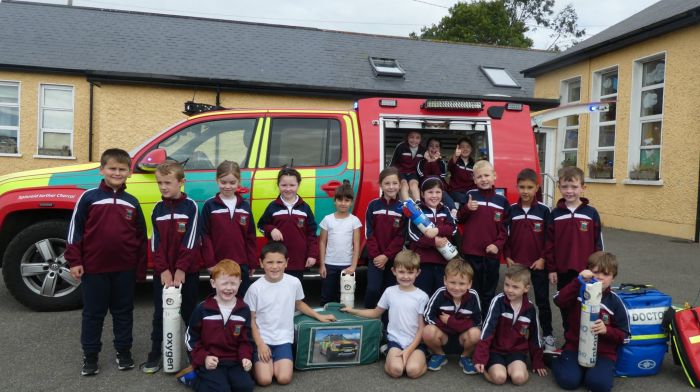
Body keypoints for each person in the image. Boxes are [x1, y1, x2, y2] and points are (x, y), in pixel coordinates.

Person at [65, 148, 147, 376]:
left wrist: (140, 269)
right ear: (102, 170)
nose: (117, 173)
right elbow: (75, 231)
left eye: (122, 169)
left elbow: (140, 237)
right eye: (112, 168)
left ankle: (124, 352)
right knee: (93, 314)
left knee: (124, 313)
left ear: (129, 173)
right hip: (94, 269)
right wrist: (74, 260)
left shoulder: (132, 202)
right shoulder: (89, 197)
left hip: (125, 270)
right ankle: (90, 357)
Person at [243, 242, 335, 386]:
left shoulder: (294, 282)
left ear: (287, 263)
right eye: (270, 262)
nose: (275, 266)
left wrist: (319, 316)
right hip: (262, 339)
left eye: (279, 262)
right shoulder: (255, 289)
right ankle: (254, 363)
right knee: (265, 380)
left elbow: (299, 303)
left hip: (283, 340)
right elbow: (251, 319)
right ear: (261, 263)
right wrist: (260, 344)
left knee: (284, 379)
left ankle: (269, 363)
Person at [141, 160, 201, 373]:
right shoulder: (157, 210)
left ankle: (195, 354)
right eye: (159, 183)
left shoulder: (191, 207)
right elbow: (155, 243)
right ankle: (156, 353)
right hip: (164, 274)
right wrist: (164, 270)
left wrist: (181, 269)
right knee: (160, 314)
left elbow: (192, 240)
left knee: (190, 313)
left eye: (168, 182)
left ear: (181, 182)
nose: (163, 187)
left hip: (187, 273)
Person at [342, 249, 429, 379]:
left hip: (415, 343)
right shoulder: (389, 292)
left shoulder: (422, 296)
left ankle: (421, 358)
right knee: (397, 371)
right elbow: (375, 312)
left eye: (410, 272)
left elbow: (422, 329)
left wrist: (409, 350)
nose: (405, 276)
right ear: (394, 271)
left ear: (418, 273)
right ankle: (389, 352)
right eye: (401, 272)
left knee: (412, 371)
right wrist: (352, 310)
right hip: (395, 341)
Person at [551, 252, 630, 392]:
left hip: (603, 354)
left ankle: (591, 373)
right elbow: (558, 300)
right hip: (575, 348)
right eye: (595, 272)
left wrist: (607, 330)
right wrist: (577, 281)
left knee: (598, 385)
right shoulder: (578, 291)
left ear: (613, 278)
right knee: (568, 381)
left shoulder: (615, 302)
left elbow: (626, 336)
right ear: (588, 272)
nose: (600, 277)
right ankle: (554, 359)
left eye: (606, 274)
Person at [504, 168, 556, 353]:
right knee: (516, 300)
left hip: (538, 264)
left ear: (537, 188)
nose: (525, 191)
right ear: (517, 187)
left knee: (542, 301)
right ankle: (515, 335)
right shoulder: (511, 210)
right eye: (522, 187)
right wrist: (508, 256)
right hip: (517, 265)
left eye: (529, 187)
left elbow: (550, 239)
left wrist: (543, 258)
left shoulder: (544, 210)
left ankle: (548, 335)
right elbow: (506, 236)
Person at [545, 166, 603, 331]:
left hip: (586, 271)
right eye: (565, 187)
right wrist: (552, 269)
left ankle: (584, 340)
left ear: (583, 187)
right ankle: (569, 338)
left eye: (574, 187)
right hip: (563, 270)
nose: (569, 191)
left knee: (585, 305)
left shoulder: (591, 213)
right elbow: (549, 244)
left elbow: (598, 243)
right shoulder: (555, 214)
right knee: (565, 303)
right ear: (559, 187)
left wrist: (597, 269)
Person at [185, 259, 254, 392]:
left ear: (240, 284)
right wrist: (203, 358)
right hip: (211, 360)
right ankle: (193, 379)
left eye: (233, 283)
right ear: (213, 283)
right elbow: (191, 338)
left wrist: (245, 357)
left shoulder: (244, 310)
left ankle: (223, 380)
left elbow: (246, 340)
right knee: (221, 390)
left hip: (234, 361)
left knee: (245, 387)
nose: (229, 288)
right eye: (224, 283)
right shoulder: (202, 309)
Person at [473, 264, 547, 385]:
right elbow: (487, 330)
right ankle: (491, 367)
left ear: (526, 288)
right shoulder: (498, 301)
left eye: (515, 287)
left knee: (519, 379)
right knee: (499, 378)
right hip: (496, 350)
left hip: (517, 352)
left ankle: (513, 369)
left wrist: (537, 361)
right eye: (507, 285)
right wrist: (480, 358)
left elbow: (535, 336)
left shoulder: (530, 308)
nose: (509, 290)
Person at [457, 160, 508, 314]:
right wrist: (467, 209)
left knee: (489, 291)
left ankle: (487, 318)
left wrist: (497, 245)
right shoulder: (470, 196)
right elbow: (459, 219)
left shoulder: (502, 201)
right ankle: (473, 319)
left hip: (491, 254)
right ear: (474, 179)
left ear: (494, 176)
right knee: (472, 289)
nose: (483, 179)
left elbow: (505, 229)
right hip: (472, 252)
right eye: (479, 177)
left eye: (487, 175)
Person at [200, 160, 257, 297]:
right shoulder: (210, 205)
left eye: (232, 183)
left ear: (238, 182)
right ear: (217, 180)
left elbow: (250, 236)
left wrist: (252, 262)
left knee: (241, 298)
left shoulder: (244, 206)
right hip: (219, 264)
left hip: (241, 264)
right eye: (223, 182)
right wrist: (210, 262)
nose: (227, 186)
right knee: (221, 298)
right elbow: (204, 236)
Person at [257, 167, 318, 282]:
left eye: (292, 185)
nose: (288, 189)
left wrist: (312, 255)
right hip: (277, 260)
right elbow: (261, 226)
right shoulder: (273, 207)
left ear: (298, 185)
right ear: (278, 185)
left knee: (294, 291)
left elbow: (312, 234)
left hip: (298, 260)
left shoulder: (305, 208)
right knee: (276, 289)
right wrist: (271, 229)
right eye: (284, 185)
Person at [423, 258, 481, 374]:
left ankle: (465, 357)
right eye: (452, 282)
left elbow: (478, 321)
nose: (456, 287)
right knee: (428, 331)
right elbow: (427, 316)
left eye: (462, 283)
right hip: (442, 337)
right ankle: (439, 355)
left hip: (463, 340)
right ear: (445, 280)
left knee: (476, 333)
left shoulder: (473, 296)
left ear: (469, 284)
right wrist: (448, 325)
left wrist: (450, 321)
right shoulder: (440, 293)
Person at [407, 176, 457, 296]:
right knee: (422, 295)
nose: (434, 195)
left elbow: (453, 228)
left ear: (442, 194)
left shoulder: (445, 209)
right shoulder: (417, 211)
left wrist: (437, 230)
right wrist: (433, 242)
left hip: (442, 262)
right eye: (430, 192)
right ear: (422, 194)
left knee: (439, 294)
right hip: (423, 262)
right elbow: (413, 235)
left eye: (438, 192)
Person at [364, 167, 404, 309]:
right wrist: (377, 256)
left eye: (394, 183)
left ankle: (386, 325)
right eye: (387, 183)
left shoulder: (403, 208)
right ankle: (368, 320)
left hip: (393, 259)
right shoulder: (373, 205)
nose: (391, 187)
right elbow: (369, 232)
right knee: (373, 289)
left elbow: (401, 236)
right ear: (380, 185)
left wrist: (387, 256)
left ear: (400, 185)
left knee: (389, 292)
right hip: (375, 258)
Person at [318, 180, 362, 305]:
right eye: (340, 200)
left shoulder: (354, 221)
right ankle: (325, 321)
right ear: (334, 201)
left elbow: (356, 245)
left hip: (347, 266)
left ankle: (341, 322)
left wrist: (353, 266)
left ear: (351, 202)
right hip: (329, 264)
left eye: (347, 200)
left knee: (344, 297)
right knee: (327, 296)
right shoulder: (327, 219)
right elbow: (322, 242)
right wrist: (322, 265)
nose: (343, 203)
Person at [417, 137, 457, 215]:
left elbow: (438, 178)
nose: (434, 148)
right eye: (431, 146)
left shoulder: (441, 162)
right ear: (427, 148)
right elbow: (424, 177)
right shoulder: (421, 162)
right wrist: (428, 162)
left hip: (439, 189)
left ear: (439, 149)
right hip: (425, 189)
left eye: (437, 146)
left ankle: (453, 211)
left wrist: (434, 162)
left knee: (443, 194)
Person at [389, 130, 425, 201]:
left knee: (414, 185)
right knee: (404, 184)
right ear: (407, 138)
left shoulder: (423, 149)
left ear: (421, 139)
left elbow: (423, 165)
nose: (414, 140)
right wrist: (390, 174)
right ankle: (407, 203)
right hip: (401, 171)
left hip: (413, 172)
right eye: (411, 137)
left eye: (417, 138)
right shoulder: (401, 146)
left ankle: (418, 203)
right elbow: (393, 161)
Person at [447, 137, 476, 207]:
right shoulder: (455, 161)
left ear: (471, 149)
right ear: (458, 149)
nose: (465, 149)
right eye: (462, 147)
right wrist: (456, 156)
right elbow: (450, 166)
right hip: (455, 192)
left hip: (469, 193)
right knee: (464, 200)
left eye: (468, 147)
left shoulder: (474, 164)